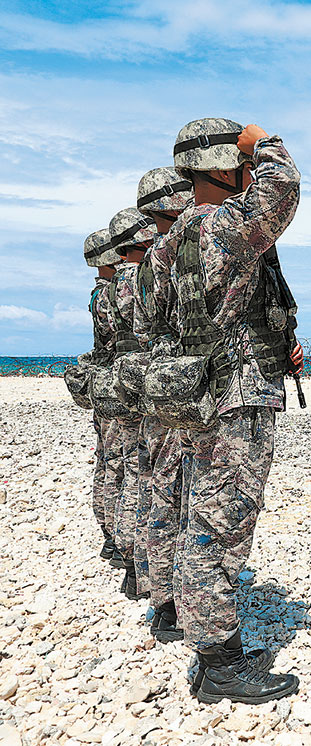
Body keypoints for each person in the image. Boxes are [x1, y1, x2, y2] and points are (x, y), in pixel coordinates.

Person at [161, 117, 302, 704]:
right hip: (235, 392)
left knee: (202, 515)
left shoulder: (171, 241)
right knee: (221, 523)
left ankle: (205, 640)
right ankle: (218, 664)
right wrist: (264, 140)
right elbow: (283, 189)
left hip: (194, 392)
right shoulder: (222, 224)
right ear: (222, 167)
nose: (247, 171)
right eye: (239, 162)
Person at [132, 166, 193, 642]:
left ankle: (164, 603)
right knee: (187, 499)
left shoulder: (150, 260)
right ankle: (184, 611)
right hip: (190, 388)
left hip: (161, 386)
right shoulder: (182, 245)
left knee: (161, 494)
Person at [106, 207, 158, 601]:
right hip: (145, 385)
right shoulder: (138, 279)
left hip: (121, 382)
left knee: (123, 469)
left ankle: (129, 560)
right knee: (145, 479)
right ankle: (140, 569)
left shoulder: (107, 289)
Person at [84, 227, 123, 564]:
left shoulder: (101, 294)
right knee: (122, 466)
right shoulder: (112, 295)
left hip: (104, 386)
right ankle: (118, 539)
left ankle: (112, 536)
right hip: (115, 388)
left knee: (110, 462)